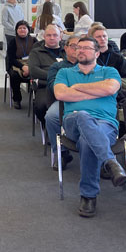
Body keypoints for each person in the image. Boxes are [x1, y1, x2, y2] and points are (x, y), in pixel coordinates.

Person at [54, 36, 126, 218]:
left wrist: (78, 87)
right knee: (83, 115)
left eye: (86, 48)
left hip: (105, 124)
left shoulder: (110, 71)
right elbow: (60, 94)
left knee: (87, 142)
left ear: (97, 53)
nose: (80, 50)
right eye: (78, 48)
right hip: (73, 122)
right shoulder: (64, 72)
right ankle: (110, 162)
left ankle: (88, 196)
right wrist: (96, 92)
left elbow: (110, 89)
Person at [44, 35, 81, 169]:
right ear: (65, 48)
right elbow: (53, 86)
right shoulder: (57, 66)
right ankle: (62, 153)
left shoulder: (88, 64)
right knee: (51, 117)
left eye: (80, 47)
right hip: (63, 101)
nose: (76, 49)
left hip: (85, 100)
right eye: (73, 46)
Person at [28, 24, 65, 124]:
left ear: (60, 37)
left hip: (66, 86)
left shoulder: (67, 52)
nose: (52, 38)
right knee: (41, 106)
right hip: (45, 87)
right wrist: (58, 77)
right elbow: (34, 71)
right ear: (44, 37)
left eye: (55, 35)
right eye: (49, 35)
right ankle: (48, 126)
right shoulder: (36, 52)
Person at [6, 21, 36, 109]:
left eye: (24, 28)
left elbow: (38, 56)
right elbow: (11, 59)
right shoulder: (13, 41)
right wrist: (22, 67)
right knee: (14, 75)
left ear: (28, 30)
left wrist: (29, 67)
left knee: (39, 73)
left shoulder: (34, 41)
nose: (22, 30)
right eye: (20, 28)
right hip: (17, 63)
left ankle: (37, 99)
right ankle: (17, 99)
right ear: (16, 30)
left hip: (31, 63)